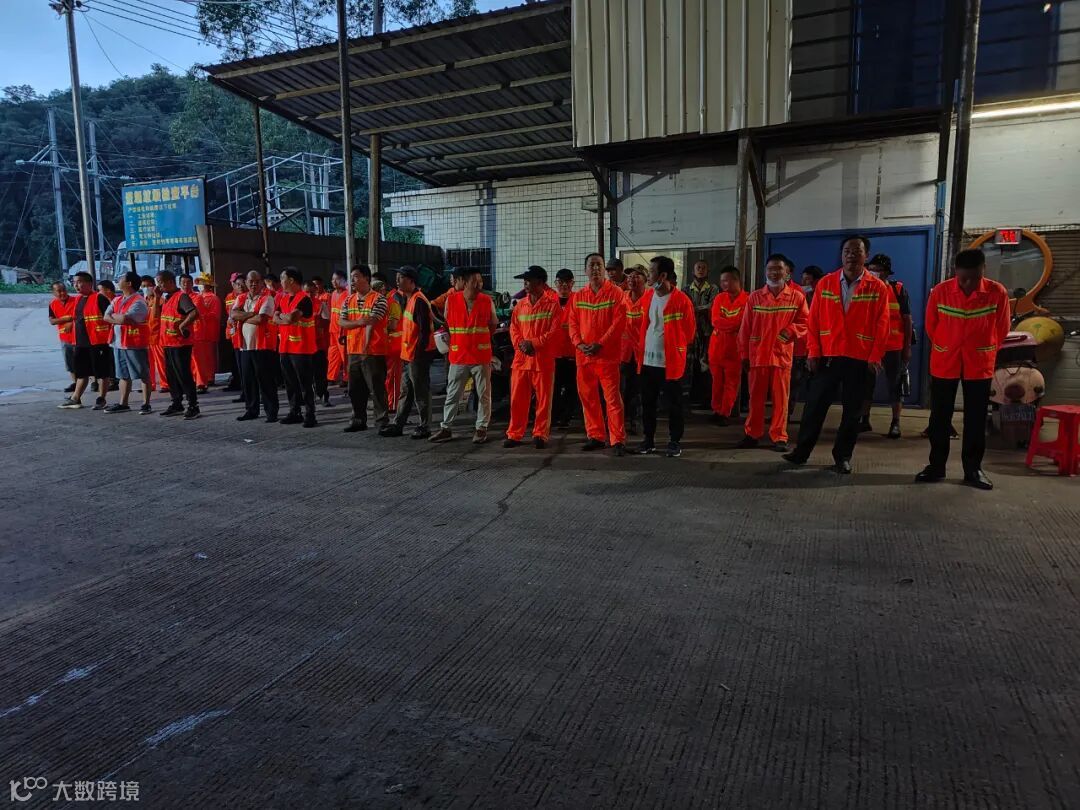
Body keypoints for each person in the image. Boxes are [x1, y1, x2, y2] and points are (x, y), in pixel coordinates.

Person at [783, 235, 889, 474]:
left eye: (857, 251)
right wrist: (813, 352)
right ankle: (801, 453)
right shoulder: (826, 283)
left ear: (866, 255)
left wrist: (875, 356)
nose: (851, 255)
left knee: (852, 413)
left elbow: (883, 325)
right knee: (814, 408)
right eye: (847, 251)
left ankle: (842, 457)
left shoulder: (877, 287)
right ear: (841, 255)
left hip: (859, 358)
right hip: (828, 356)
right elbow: (814, 321)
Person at [916, 249, 1011, 490]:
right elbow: (931, 325)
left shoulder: (997, 292)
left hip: (979, 363)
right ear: (955, 272)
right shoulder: (941, 292)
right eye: (964, 278)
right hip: (945, 361)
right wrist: (947, 345)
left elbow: (1002, 328)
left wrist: (984, 349)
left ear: (983, 271)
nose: (968, 284)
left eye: (974, 278)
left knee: (976, 418)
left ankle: (973, 469)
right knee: (939, 417)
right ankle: (936, 466)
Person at [736, 255, 809, 452]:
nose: (774, 272)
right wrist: (743, 355)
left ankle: (779, 436)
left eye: (778, 268)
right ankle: (752, 434)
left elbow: (805, 323)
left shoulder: (797, 297)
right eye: (770, 269)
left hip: (781, 356)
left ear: (787, 273)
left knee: (781, 400)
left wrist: (791, 331)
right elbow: (745, 329)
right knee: (755, 399)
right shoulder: (755, 297)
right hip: (757, 356)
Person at [634, 256, 696, 457]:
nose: (648, 275)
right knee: (648, 403)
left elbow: (689, 332)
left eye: (651, 271)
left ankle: (674, 441)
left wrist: (675, 348)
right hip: (647, 361)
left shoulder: (682, 300)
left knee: (674, 405)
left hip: (670, 363)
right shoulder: (647, 297)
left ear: (662, 276)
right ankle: (648, 440)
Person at [569, 252, 628, 456]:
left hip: (607, 357)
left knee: (612, 399)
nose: (595, 269)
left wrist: (600, 344)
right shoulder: (578, 296)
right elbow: (572, 324)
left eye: (599, 265)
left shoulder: (616, 293)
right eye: (591, 265)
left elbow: (618, 323)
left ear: (604, 270)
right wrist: (579, 344)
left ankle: (617, 439)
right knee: (588, 398)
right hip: (584, 357)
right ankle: (595, 436)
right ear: (585, 270)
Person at [431, 268, 497, 444]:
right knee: (452, 394)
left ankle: (481, 428)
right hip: (459, 356)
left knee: (484, 394)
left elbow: (493, 324)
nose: (479, 284)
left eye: (480, 281)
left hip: (480, 357)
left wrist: (480, 340)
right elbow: (447, 323)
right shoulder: (451, 300)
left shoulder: (487, 300)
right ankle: (446, 428)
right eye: (476, 281)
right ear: (465, 282)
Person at [504, 266, 561, 449]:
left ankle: (540, 434)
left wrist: (533, 344)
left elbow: (554, 332)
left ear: (540, 282)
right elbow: (514, 329)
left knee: (544, 401)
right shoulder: (520, 305)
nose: (525, 284)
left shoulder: (553, 305)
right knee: (517, 400)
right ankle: (514, 434)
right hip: (522, 361)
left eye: (528, 280)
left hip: (542, 361)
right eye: (525, 281)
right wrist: (521, 345)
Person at [859, 253, 912, 439]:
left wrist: (907, 348)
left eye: (878, 270)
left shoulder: (898, 290)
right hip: (869, 347)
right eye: (871, 270)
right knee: (866, 384)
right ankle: (864, 420)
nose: (874, 273)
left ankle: (895, 423)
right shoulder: (863, 289)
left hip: (893, 347)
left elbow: (907, 320)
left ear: (887, 273)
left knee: (895, 386)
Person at [380, 266, 436, 439]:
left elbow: (424, 332)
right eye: (397, 277)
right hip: (408, 355)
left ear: (411, 281)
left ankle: (424, 426)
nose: (397, 281)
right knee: (406, 391)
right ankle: (398, 424)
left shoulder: (418, 301)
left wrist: (418, 354)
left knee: (420, 391)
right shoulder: (410, 299)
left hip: (417, 356)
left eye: (401, 278)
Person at [339, 265, 390, 433]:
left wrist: (365, 345)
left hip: (373, 351)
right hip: (353, 350)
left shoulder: (379, 299)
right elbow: (341, 321)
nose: (352, 280)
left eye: (355, 276)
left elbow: (373, 321)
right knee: (355, 389)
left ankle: (381, 421)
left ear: (366, 278)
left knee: (376, 388)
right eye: (352, 277)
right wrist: (359, 322)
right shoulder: (349, 300)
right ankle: (358, 419)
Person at [58, 272, 114, 411]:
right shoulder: (77, 299)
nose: (76, 285)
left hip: (98, 341)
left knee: (102, 373)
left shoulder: (100, 298)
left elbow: (110, 318)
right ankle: (75, 398)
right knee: (81, 372)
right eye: (74, 282)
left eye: (79, 282)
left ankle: (101, 399)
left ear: (89, 283)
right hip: (81, 342)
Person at [230, 270, 279, 423]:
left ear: (262, 282)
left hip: (262, 347)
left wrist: (242, 317)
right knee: (248, 380)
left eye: (257, 281)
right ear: (246, 282)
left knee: (266, 381)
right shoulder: (241, 298)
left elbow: (261, 319)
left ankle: (271, 412)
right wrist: (252, 314)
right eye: (251, 281)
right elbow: (233, 315)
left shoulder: (267, 298)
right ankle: (251, 410)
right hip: (245, 347)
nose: (253, 284)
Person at [273, 267, 318, 428]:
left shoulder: (304, 299)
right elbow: (275, 318)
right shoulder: (283, 298)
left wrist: (282, 317)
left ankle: (310, 414)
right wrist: (283, 317)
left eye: (282, 278)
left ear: (291, 280)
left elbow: (291, 318)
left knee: (305, 383)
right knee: (290, 383)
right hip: (285, 347)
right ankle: (295, 412)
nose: (281, 282)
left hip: (301, 348)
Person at [102, 270, 152, 414]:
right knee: (123, 375)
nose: (118, 281)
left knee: (143, 374)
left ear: (129, 283)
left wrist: (116, 317)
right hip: (118, 343)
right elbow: (106, 316)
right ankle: (123, 403)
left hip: (134, 343)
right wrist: (119, 318)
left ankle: (146, 404)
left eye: (121, 279)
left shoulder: (139, 301)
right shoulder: (117, 299)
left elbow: (125, 319)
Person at [155, 269, 200, 419]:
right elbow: (156, 316)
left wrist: (182, 325)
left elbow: (194, 313)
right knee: (172, 376)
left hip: (180, 343)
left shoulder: (181, 297)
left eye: (160, 282)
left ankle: (193, 405)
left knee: (183, 375)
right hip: (168, 343)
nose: (159, 285)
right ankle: (176, 403)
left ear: (170, 282)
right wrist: (157, 297)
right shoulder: (166, 298)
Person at [707, 266, 748, 426]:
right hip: (716, 349)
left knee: (731, 384)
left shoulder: (747, 300)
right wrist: (731, 325)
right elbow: (715, 321)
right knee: (716, 383)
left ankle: (725, 413)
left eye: (726, 280)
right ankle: (716, 410)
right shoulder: (719, 298)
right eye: (722, 281)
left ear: (736, 280)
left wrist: (727, 324)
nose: (723, 284)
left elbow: (742, 323)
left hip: (735, 350)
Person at [789, 265, 825, 418]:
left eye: (807, 280)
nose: (803, 283)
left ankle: (810, 415)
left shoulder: (823, 297)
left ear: (816, 282)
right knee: (793, 382)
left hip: (817, 348)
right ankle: (786, 413)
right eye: (802, 279)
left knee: (814, 383)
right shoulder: (798, 296)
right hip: (800, 346)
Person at [684, 259, 718, 409]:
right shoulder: (686, 289)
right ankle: (690, 397)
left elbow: (713, 306)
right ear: (693, 271)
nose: (701, 270)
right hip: (691, 333)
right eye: (698, 267)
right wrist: (699, 309)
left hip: (707, 332)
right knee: (690, 365)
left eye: (704, 267)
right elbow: (684, 307)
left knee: (706, 364)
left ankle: (706, 399)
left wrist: (694, 309)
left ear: (708, 271)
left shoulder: (713, 288)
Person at [621, 266, 648, 435]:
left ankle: (636, 420)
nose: (631, 279)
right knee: (623, 388)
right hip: (624, 352)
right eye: (629, 276)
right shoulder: (622, 297)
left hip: (643, 352)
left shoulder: (651, 298)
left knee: (640, 389)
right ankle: (620, 421)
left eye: (637, 276)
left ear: (645, 279)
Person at [551, 268, 578, 428]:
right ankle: (554, 416)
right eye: (560, 282)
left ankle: (567, 417)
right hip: (554, 353)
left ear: (572, 283)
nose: (564, 285)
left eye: (567, 282)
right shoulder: (549, 301)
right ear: (555, 283)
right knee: (553, 386)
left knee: (571, 387)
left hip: (573, 352)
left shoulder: (578, 300)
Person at [378, 278, 406, 414]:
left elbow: (393, 325)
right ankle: (388, 402)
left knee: (393, 377)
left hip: (394, 345)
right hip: (384, 344)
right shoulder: (382, 303)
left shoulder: (392, 303)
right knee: (386, 377)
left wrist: (376, 325)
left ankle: (393, 404)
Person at [191, 274, 222, 393]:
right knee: (200, 358)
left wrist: (201, 315)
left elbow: (215, 315)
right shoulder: (197, 296)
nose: (200, 285)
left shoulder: (213, 298)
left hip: (209, 331)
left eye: (202, 283)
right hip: (199, 331)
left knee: (208, 357)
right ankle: (201, 377)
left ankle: (209, 377)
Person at [304, 279, 332, 407]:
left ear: (315, 291)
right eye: (307, 292)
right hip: (303, 346)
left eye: (311, 292)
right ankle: (309, 397)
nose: (309, 295)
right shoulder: (298, 304)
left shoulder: (320, 305)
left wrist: (317, 324)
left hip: (318, 345)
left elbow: (327, 321)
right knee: (306, 374)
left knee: (320, 373)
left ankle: (323, 395)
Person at [47, 280, 77, 393]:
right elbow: (52, 321)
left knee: (84, 361)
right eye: (59, 291)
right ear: (53, 293)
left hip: (79, 337)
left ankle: (94, 381)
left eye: (64, 290)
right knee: (70, 363)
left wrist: (71, 322)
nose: (62, 293)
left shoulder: (76, 301)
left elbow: (82, 316)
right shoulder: (52, 304)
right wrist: (66, 319)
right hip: (64, 337)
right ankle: (75, 383)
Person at [141, 276, 166, 394]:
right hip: (146, 336)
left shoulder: (161, 300)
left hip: (158, 335)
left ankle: (165, 384)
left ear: (154, 286)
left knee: (161, 362)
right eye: (143, 286)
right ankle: (150, 384)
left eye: (148, 286)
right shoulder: (143, 301)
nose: (146, 288)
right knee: (147, 363)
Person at [224, 273, 246, 401]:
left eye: (242, 283)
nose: (240, 286)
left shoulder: (250, 298)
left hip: (247, 337)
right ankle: (245, 393)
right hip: (235, 335)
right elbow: (229, 315)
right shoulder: (230, 297)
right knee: (239, 366)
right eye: (237, 284)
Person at [327, 269, 350, 389]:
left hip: (342, 331)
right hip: (333, 330)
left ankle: (347, 378)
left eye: (336, 279)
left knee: (345, 356)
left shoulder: (347, 295)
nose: (334, 282)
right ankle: (331, 377)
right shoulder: (333, 294)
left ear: (343, 281)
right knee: (333, 354)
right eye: (332, 279)